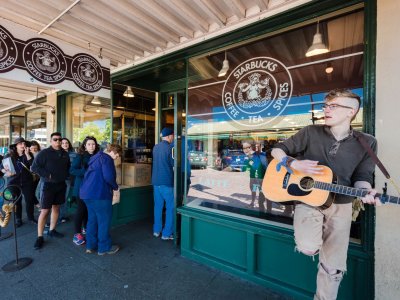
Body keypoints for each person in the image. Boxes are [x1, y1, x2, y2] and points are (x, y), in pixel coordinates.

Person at [270, 89, 380, 300]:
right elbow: (277, 150)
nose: (326, 110)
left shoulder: (368, 142)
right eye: (326, 106)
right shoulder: (311, 132)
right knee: (308, 246)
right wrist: (292, 162)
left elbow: (363, 176)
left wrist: (365, 191)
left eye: (333, 106)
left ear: (351, 112)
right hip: (309, 199)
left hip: (342, 204)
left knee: (333, 267)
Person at [79, 144, 122, 255]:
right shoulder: (107, 159)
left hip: (86, 194)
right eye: (117, 154)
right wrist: (116, 187)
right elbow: (109, 177)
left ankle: (90, 245)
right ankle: (104, 247)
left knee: (92, 220)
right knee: (104, 221)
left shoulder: (96, 157)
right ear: (113, 152)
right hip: (100, 194)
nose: (117, 157)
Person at [31, 132, 70, 250]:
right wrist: (47, 175)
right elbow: (34, 167)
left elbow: (67, 167)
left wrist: (65, 175)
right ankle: (39, 237)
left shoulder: (64, 154)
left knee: (56, 208)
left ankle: (52, 230)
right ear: (51, 141)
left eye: (59, 139)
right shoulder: (44, 153)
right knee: (45, 211)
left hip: (61, 185)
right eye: (55, 139)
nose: (58, 142)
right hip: (48, 185)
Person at [70, 136, 99, 246]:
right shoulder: (80, 156)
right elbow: (72, 170)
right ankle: (76, 234)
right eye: (89, 144)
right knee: (81, 210)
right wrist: (85, 171)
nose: (92, 146)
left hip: (93, 188)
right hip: (81, 188)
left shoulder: (97, 156)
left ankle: (86, 228)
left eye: (93, 144)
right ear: (85, 146)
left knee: (88, 210)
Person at [0, 137, 36, 226]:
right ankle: (18, 219)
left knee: (29, 200)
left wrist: (27, 154)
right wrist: (6, 171)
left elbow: (34, 166)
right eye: (20, 144)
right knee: (17, 201)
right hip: (13, 182)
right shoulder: (9, 156)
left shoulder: (28, 154)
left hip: (27, 181)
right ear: (15, 146)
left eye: (24, 143)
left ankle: (31, 217)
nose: (23, 145)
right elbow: (1, 167)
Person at [151, 127, 174, 240]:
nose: (173, 138)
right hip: (167, 182)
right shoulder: (171, 148)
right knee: (170, 208)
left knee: (158, 207)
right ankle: (166, 234)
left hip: (156, 182)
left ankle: (156, 230)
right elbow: (173, 164)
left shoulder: (155, 147)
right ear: (169, 136)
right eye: (172, 136)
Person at [242, 140, 270, 213]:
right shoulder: (251, 155)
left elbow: (266, 166)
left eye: (258, 146)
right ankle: (253, 203)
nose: (256, 148)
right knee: (253, 190)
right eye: (255, 146)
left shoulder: (264, 155)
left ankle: (267, 207)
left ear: (261, 147)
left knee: (263, 192)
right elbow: (248, 165)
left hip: (261, 178)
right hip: (253, 178)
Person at [59, 137, 76, 224]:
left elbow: (74, 167)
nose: (65, 144)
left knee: (64, 198)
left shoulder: (73, 154)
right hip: (57, 179)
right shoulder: (57, 153)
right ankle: (56, 215)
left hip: (68, 179)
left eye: (66, 143)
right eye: (63, 143)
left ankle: (62, 216)